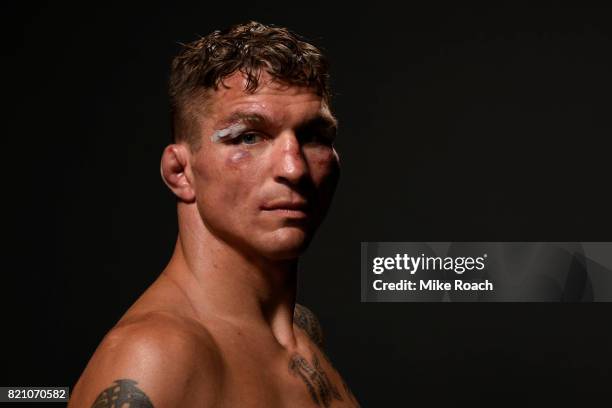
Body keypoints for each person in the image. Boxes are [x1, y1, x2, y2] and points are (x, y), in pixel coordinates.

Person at [68, 21, 360, 408]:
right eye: (248, 137)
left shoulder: (301, 331)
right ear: (180, 172)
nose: (294, 169)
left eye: (313, 137)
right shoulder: (154, 356)